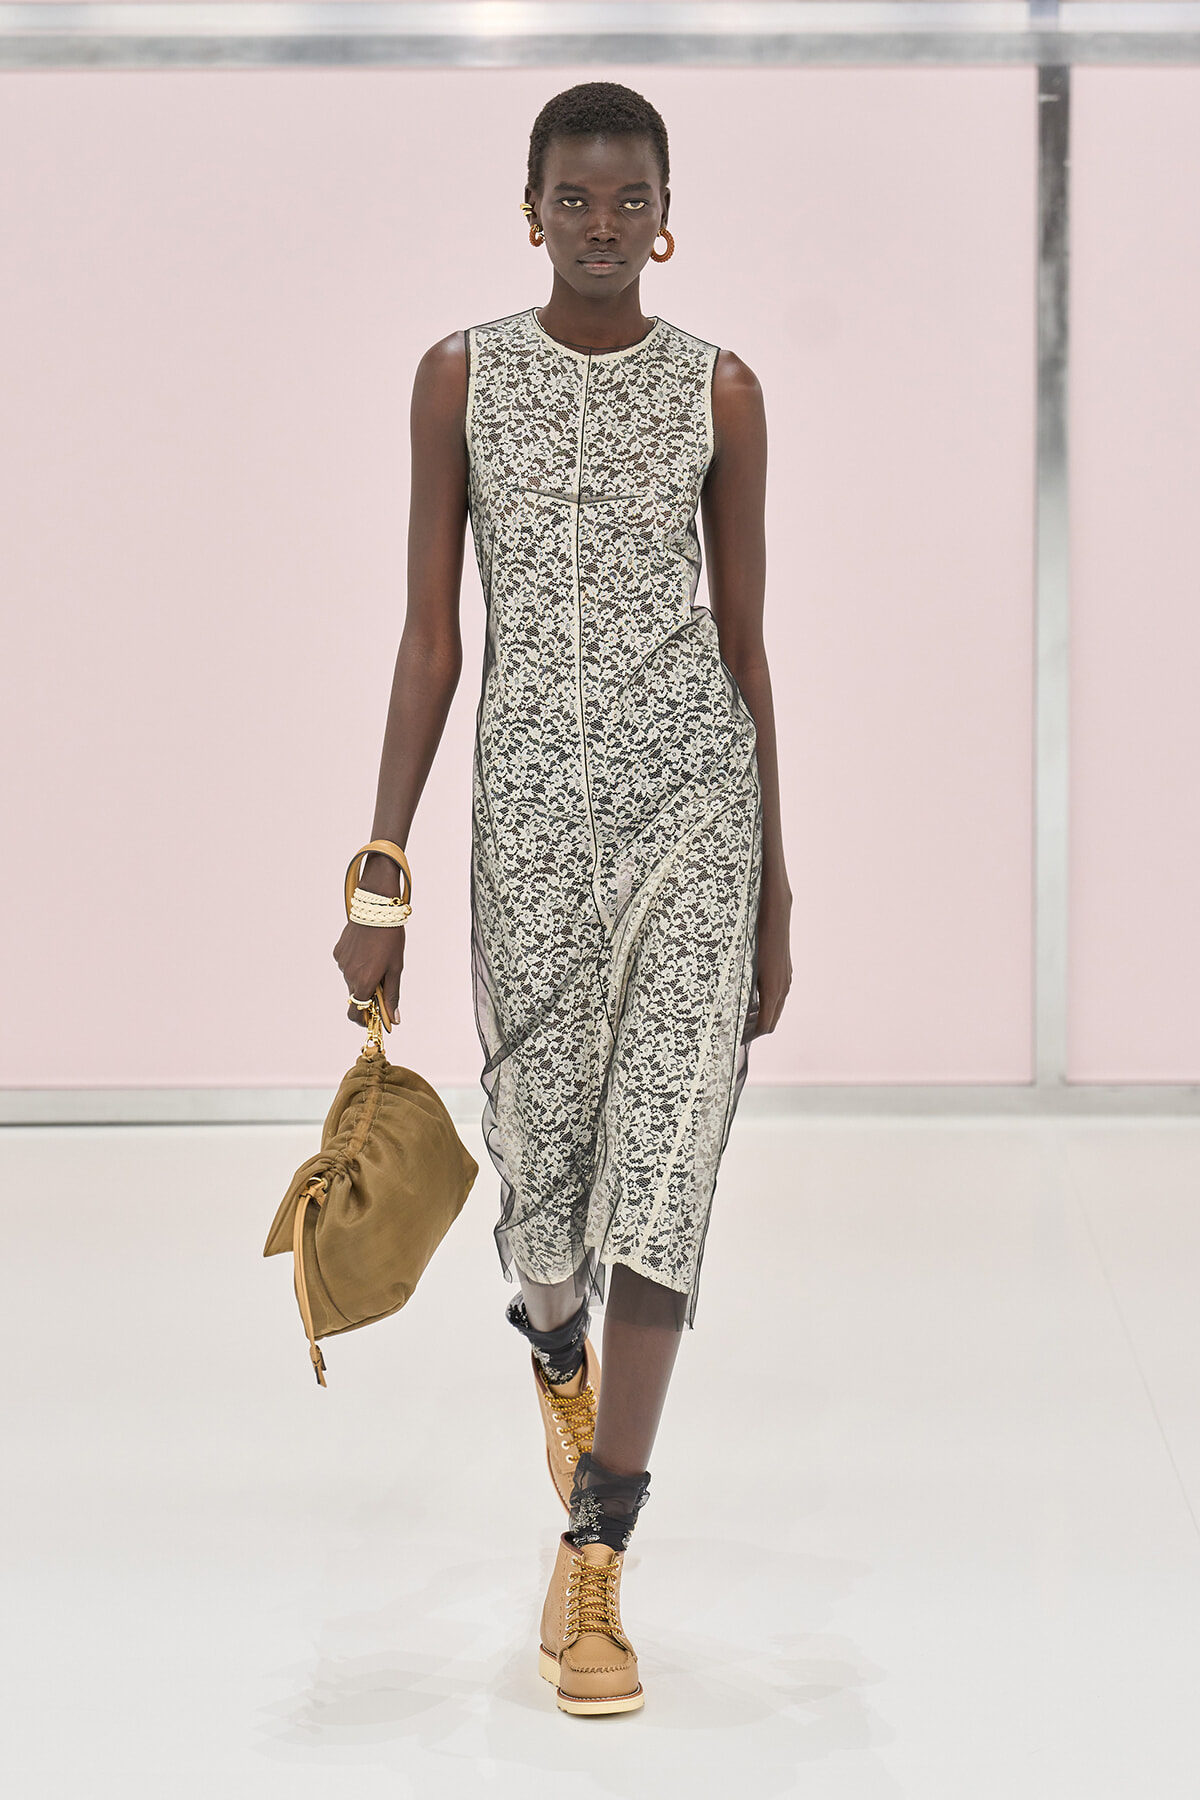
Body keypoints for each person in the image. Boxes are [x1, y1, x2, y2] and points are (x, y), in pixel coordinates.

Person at [334, 81, 792, 1716]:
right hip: (526, 825)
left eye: (631, 201)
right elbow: (428, 642)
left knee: (667, 1175)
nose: (603, 229)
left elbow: (742, 651)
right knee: (548, 1202)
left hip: (693, 812)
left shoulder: (720, 391)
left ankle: (596, 1556)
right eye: (574, 201)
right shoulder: (459, 379)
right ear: (528, 208)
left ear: (665, 213)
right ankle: (551, 1351)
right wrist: (378, 869)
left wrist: (774, 887)